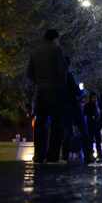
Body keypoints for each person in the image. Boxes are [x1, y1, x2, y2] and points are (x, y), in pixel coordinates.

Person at [27, 29, 68, 163]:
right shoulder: (57, 50)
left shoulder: (35, 52)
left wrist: (39, 83)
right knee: (57, 124)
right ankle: (53, 156)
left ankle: (39, 155)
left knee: (40, 124)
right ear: (55, 38)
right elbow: (61, 72)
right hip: (55, 92)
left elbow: (29, 73)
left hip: (40, 92)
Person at [61, 59, 91, 163]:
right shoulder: (68, 76)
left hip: (64, 108)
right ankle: (88, 155)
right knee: (83, 131)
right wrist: (81, 93)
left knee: (67, 132)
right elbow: (76, 92)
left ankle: (64, 155)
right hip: (73, 107)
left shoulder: (58, 78)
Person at [84, 92, 102, 160]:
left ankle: (99, 154)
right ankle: (91, 155)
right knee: (91, 141)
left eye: (95, 97)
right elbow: (86, 114)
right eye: (93, 97)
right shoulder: (89, 105)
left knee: (97, 140)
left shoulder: (97, 105)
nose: (94, 99)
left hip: (96, 125)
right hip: (91, 125)